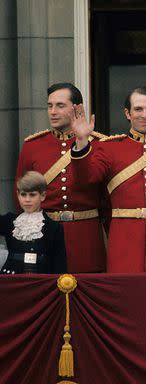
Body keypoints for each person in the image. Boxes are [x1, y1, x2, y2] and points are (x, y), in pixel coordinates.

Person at [70, 86, 146, 272]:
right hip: (124, 241)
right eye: (138, 109)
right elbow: (85, 180)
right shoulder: (109, 148)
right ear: (127, 113)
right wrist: (82, 141)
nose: (144, 114)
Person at [15, 83, 107, 273]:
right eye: (50, 106)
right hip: (44, 235)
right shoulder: (33, 146)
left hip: (85, 238)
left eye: (60, 105)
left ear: (77, 108)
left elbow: (106, 199)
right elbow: (21, 199)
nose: (53, 112)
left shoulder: (99, 144)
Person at [1, 171, 66, 274]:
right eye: (23, 194)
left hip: (40, 282)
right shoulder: (9, 221)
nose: (27, 200)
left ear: (43, 196)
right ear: (18, 195)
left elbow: (59, 265)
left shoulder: (54, 228)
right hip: (11, 280)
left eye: (32, 195)